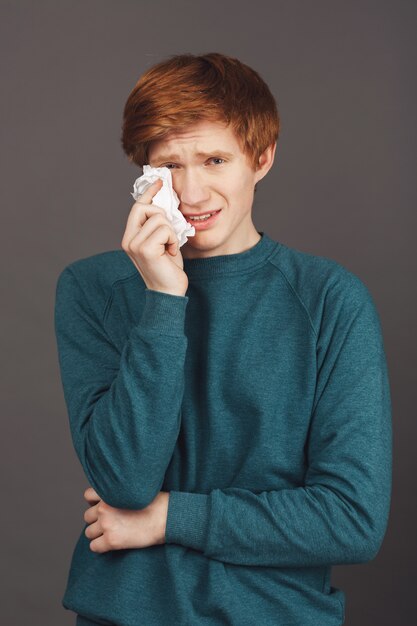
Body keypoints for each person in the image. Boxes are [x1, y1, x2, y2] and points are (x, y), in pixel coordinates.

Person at [54, 52, 392, 626]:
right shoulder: (94, 289)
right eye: (169, 166)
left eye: (215, 159)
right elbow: (125, 482)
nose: (191, 191)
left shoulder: (330, 299)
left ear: (261, 159)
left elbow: (352, 519)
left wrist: (167, 519)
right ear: (145, 173)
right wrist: (163, 300)